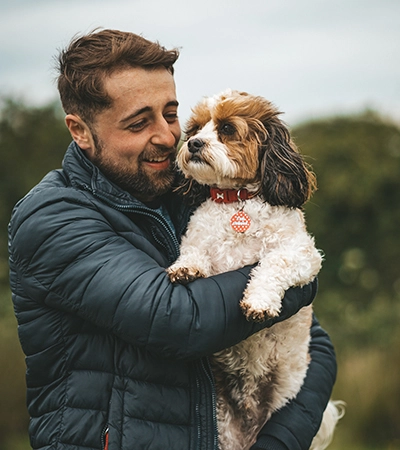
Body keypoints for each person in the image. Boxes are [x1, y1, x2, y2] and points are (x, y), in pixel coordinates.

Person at [8, 29, 337, 450]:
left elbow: (314, 343)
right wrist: (291, 265)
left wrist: (279, 442)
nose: (167, 136)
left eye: (170, 113)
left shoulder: (197, 195)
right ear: (80, 131)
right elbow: (176, 320)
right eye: (139, 122)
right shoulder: (51, 217)